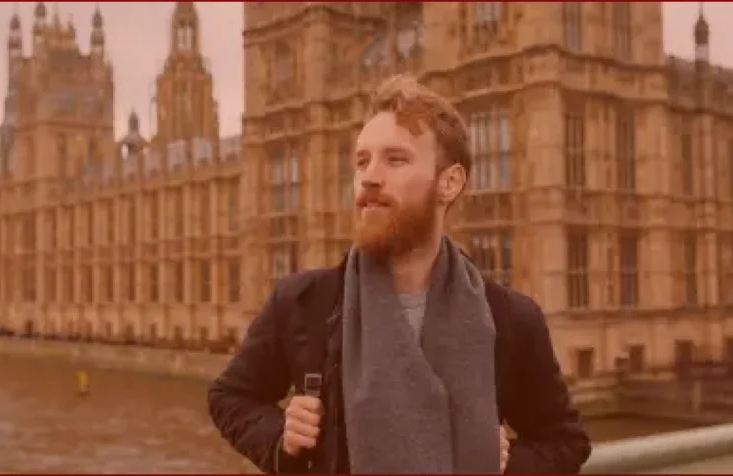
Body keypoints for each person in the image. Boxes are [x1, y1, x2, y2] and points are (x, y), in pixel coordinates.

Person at [207, 74, 592, 474]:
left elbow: (566, 442)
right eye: (362, 161)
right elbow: (229, 397)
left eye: (395, 159)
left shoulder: (510, 318)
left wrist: (507, 465)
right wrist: (281, 439)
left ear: (449, 183)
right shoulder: (303, 303)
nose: (369, 177)